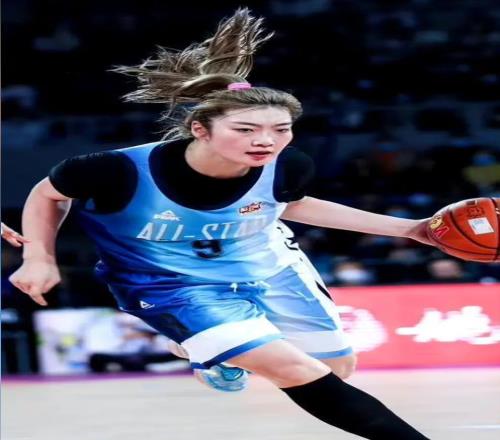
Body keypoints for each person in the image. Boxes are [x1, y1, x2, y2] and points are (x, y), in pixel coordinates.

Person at [10, 8, 432, 439]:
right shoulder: (114, 169)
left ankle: (217, 352)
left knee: (336, 369)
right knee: (294, 369)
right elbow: (48, 193)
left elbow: (290, 205)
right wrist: (38, 256)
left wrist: (410, 228)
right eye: (246, 129)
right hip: (170, 284)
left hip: (267, 266)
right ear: (200, 130)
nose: (265, 140)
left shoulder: (288, 165)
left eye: (281, 129)